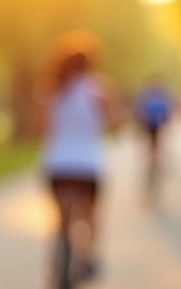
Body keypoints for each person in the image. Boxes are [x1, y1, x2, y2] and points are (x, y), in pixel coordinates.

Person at [33, 31, 123, 273]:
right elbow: (115, 126)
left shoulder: (51, 89)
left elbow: (39, 129)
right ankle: (88, 259)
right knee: (91, 216)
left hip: (57, 165)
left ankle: (58, 259)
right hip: (87, 165)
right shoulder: (99, 89)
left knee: (61, 219)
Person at [135, 74, 173, 193]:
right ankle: (154, 161)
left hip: (150, 125)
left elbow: (140, 111)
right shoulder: (162, 96)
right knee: (155, 145)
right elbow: (166, 113)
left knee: (151, 146)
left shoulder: (146, 96)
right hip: (155, 125)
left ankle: (152, 160)